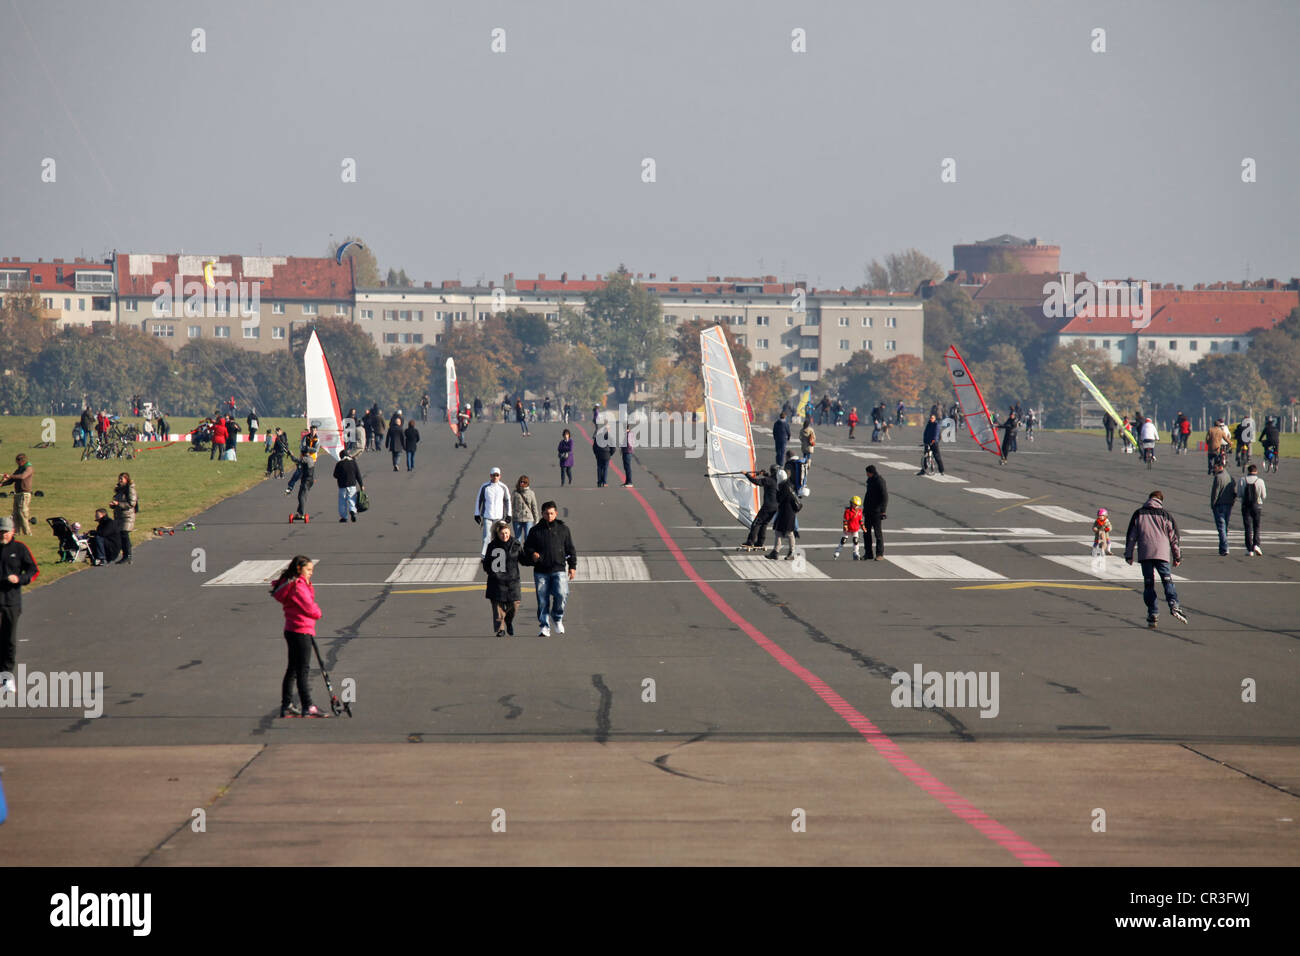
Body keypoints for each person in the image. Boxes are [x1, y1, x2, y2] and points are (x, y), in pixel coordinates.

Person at [270, 556, 327, 718]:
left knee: (293, 669)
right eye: (308, 570)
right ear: (298, 569)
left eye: (312, 570)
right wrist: (318, 612)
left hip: (292, 629)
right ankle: (308, 705)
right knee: (303, 669)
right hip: (301, 630)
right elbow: (309, 607)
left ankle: (287, 704)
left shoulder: (292, 584)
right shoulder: (298, 586)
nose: (310, 573)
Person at [1123, 490, 1188, 627]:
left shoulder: (1139, 513)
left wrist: (1129, 554)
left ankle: (1152, 613)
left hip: (1145, 553)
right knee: (1167, 580)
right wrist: (1177, 556)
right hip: (1162, 554)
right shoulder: (1166, 515)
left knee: (1149, 584)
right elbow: (1174, 538)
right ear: (1160, 501)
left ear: (1149, 499)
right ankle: (1174, 605)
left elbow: (1131, 536)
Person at [520, 501, 577, 637]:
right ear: (542, 514)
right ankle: (544, 626)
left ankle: (557, 617)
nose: (549, 516)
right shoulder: (535, 530)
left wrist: (572, 566)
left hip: (559, 568)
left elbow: (570, 549)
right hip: (541, 570)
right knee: (542, 599)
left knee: (562, 594)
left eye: (552, 513)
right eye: (546, 513)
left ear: (556, 513)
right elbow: (527, 547)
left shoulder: (563, 529)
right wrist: (533, 553)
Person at [0, 515, 40, 696]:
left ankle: (6, 677)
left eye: (5, 532)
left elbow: (34, 570)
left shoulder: (19, 549)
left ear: (12, 532)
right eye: (0, 532)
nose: (3, 535)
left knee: (9, 640)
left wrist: (20, 579)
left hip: (11, 601)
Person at [482, 520, 522, 637]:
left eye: (506, 533)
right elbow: (487, 564)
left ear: (509, 532)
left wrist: (534, 558)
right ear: (498, 534)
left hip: (513, 581)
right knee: (497, 607)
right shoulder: (492, 546)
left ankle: (508, 621)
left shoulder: (516, 544)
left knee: (515, 604)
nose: (505, 535)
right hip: (497, 582)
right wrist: (493, 573)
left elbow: (523, 558)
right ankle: (501, 629)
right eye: (502, 533)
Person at [474, 467, 512, 557]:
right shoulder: (485, 487)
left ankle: (498, 554)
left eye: (497, 475)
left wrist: (509, 514)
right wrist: (477, 513)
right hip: (487, 516)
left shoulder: (503, 487)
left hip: (499, 517)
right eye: (493, 475)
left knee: (499, 536)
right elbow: (479, 500)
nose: (495, 477)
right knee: (487, 537)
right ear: (490, 476)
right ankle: (484, 556)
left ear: (500, 476)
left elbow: (507, 500)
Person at [743, 465, 781, 550]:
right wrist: (765, 474)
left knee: (756, 523)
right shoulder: (778, 480)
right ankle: (760, 543)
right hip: (775, 507)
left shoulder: (769, 480)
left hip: (767, 506)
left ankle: (750, 542)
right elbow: (770, 479)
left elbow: (756, 482)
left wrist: (746, 474)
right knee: (764, 524)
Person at [766, 474, 802, 561]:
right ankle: (776, 552)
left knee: (788, 533)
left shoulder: (783, 487)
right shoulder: (789, 484)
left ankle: (789, 552)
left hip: (786, 514)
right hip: (788, 513)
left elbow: (778, 499)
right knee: (780, 532)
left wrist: (776, 490)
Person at [1, 454, 35, 535]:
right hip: (17, 494)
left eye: (18, 462)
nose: (17, 464)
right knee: (15, 513)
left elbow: (22, 476)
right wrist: (2, 484)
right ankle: (16, 532)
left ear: (22, 461)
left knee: (22, 513)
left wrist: (10, 476)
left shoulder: (28, 468)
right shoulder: (19, 469)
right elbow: (12, 480)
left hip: (25, 494)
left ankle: (27, 532)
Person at [108, 471, 138, 565]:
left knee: (124, 534)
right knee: (121, 536)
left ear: (127, 479)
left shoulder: (130, 489)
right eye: (119, 478)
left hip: (127, 516)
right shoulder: (119, 490)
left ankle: (127, 557)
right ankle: (126, 556)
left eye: (122, 479)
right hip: (119, 516)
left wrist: (118, 504)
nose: (120, 480)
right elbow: (118, 501)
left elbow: (132, 503)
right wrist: (113, 505)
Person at [1239, 463, 1266, 556]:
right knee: (1256, 526)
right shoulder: (1260, 481)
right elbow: (1264, 495)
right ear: (1256, 471)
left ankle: (1249, 549)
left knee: (1247, 528)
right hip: (1257, 506)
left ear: (1248, 471)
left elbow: (1239, 494)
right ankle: (1256, 545)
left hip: (1246, 506)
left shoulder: (1242, 480)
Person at [1210, 461, 1236, 556]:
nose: (1213, 469)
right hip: (1228, 505)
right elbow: (1234, 492)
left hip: (1219, 505)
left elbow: (1215, 493)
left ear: (1220, 467)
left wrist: (1213, 504)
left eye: (1215, 467)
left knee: (1221, 527)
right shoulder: (1230, 477)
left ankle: (1225, 547)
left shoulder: (1218, 477)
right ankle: (1222, 548)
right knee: (1224, 527)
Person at [863, 464, 888, 560]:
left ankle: (879, 554)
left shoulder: (879, 481)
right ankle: (868, 553)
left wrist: (883, 511)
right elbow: (868, 496)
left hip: (877, 512)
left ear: (870, 473)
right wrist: (864, 510)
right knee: (866, 532)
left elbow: (885, 496)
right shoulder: (870, 481)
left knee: (878, 533)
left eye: (867, 473)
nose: (866, 475)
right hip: (868, 511)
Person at [332, 449, 364, 523]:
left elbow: (335, 475)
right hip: (352, 484)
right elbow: (358, 474)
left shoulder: (339, 464)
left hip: (342, 485)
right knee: (352, 499)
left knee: (342, 501)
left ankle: (344, 517)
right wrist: (361, 485)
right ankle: (352, 511)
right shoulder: (353, 463)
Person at [834, 495, 864, 560]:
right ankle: (837, 551)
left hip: (855, 529)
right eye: (855, 505)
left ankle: (856, 553)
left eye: (857, 505)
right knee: (843, 540)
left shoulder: (859, 511)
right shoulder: (848, 511)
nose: (856, 506)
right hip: (848, 529)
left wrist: (863, 526)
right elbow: (845, 520)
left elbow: (860, 520)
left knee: (855, 540)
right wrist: (845, 526)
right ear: (851, 503)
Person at [512, 475, 539, 544]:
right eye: (521, 482)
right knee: (517, 538)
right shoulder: (515, 493)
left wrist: (536, 520)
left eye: (524, 482)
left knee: (528, 537)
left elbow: (534, 507)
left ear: (527, 483)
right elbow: (511, 505)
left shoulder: (531, 493)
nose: (522, 483)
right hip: (517, 518)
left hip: (528, 518)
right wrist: (509, 516)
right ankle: (518, 553)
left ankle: (527, 552)